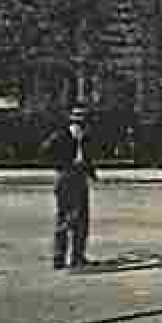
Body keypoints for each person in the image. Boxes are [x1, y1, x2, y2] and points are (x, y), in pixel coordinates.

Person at [42, 106, 96, 269]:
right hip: (66, 177)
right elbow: (45, 150)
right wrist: (61, 164)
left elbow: (87, 157)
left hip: (79, 178)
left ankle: (77, 256)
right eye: (77, 121)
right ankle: (59, 257)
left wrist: (91, 173)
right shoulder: (60, 136)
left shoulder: (85, 138)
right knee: (65, 218)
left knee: (81, 219)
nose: (80, 125)